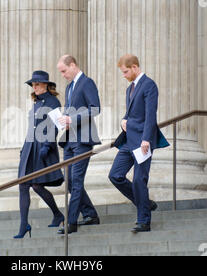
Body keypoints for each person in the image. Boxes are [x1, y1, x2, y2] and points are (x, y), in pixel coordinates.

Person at [109, 54, 169, 233]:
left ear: (135, 67)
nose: (124, 75)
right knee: (115, 175)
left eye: (126, 71)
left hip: (143, 141)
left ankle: (144, 220)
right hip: (128, 141)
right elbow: (130, 112)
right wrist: (123, 120)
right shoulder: (130, 89)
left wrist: (146, 140)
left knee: (138, 180)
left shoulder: (149, 85)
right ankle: (145, 203)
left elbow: (151, 115)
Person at [14, 71, 65, 239]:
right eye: (33, 85)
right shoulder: (36, 103)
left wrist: (48, 144)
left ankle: (57, 214)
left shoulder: (53, 102)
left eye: (37, 84)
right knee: (23, 185)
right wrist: (24, 147)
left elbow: (56, 126)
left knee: (36, 185)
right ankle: (23, 224)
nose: (34, 87)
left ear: (45, 85)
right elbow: (32, 128)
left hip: (43, 146)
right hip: (30, 147)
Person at [56, 55, 102, 234]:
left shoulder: (87, 82)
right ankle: (90, 214)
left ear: (73, 65)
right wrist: (63, 120)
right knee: (69, 182)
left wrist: (72, 119)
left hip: (83, 140)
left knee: (76, 181)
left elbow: (95, 108)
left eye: (64, 71)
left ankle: (71, 221)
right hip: (69, 141)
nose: (63, 75)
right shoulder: (69, 87)